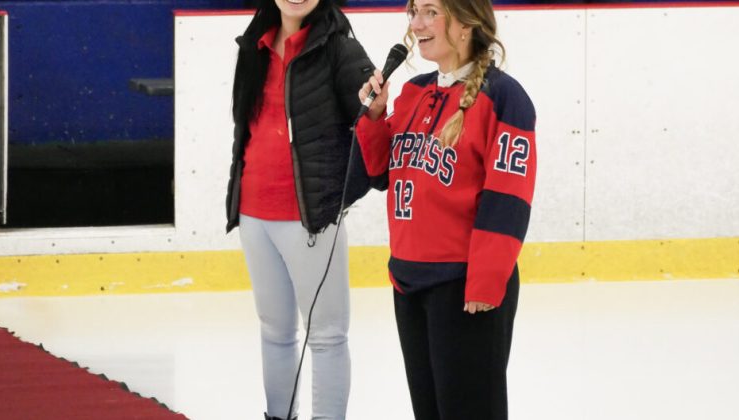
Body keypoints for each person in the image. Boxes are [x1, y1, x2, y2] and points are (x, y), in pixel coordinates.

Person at [356, 0, 536, 418]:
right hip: (408, 280)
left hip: (465, 288)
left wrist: (486, 281)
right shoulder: (415, 91)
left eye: (430, 12)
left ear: (466, 23)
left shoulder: (504, 97)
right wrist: (375, 117)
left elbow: (509, 195)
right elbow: (384, 173)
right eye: (413, 12)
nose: (416, 24)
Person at [225, 0, 378, 419]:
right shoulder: (252, 44)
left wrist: (376, 106)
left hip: (311, 219)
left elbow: (369, 127)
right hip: (254, 214)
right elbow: (245, 126)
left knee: (326, 336)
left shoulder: (341, 50)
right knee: (275, 331)